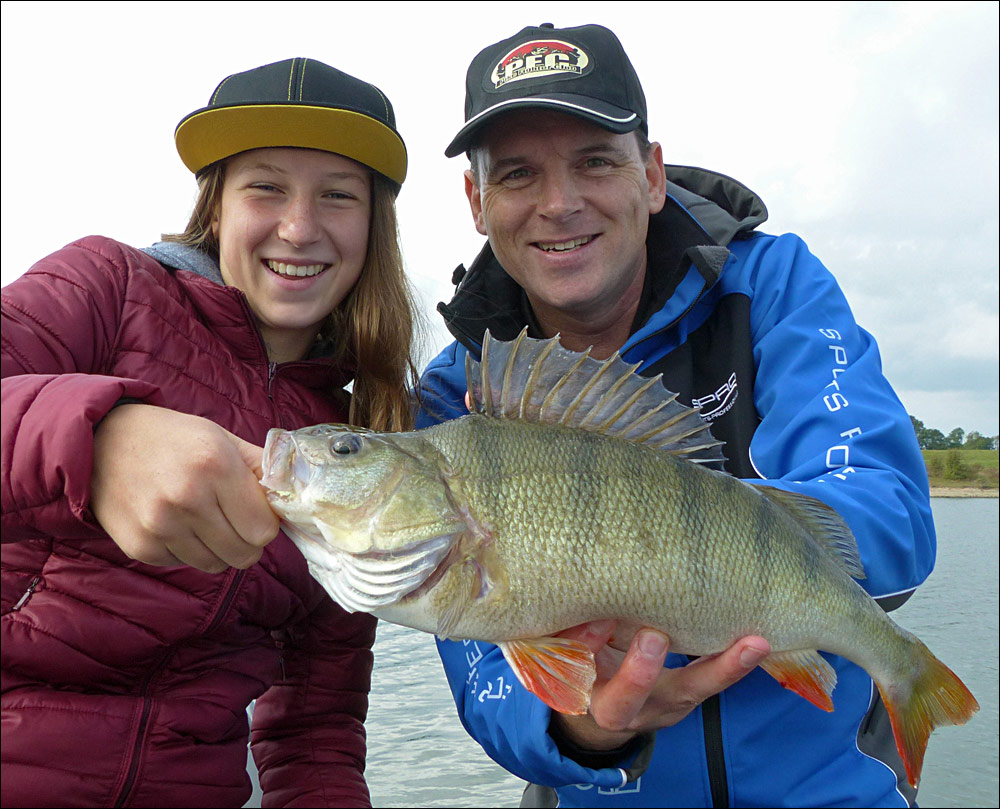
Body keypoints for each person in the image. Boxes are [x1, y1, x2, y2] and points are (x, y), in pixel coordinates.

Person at [416, 23, 935, 808]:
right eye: (518, 174)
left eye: (595, 161)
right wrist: (589, 726)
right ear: (477, 202)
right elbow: (484, 674)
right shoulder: (460, 399)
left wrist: (709, 557)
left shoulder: (769, 285)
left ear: (652, 175)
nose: (559, 203)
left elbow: (884, 500)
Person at [1, 57, 418, 808]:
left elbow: (315, 732)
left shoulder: (352, 445)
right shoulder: (105, 286)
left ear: (371, 227)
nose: (299, 226)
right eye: (265, 186)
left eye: (338, 196)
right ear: (216, 205)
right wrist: (97, 443)